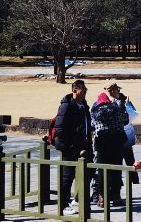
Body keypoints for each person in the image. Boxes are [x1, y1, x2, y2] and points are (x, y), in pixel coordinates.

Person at [54, 80, 93, 214]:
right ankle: (63, 205)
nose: (85, 92)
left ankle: (77, 199)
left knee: (87, 174)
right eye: (83, 90)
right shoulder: (67, 106)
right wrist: (70, 145)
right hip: (71, 148)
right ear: (75, 90)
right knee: (68, 176)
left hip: (84, 147)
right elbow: (59, 128)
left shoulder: (83, 105)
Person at [91, 87, 129, 207]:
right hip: (116, 142)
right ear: (113, 91)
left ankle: (103, 198)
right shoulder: (118, 105)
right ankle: (116, 196)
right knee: (116, 170)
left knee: (102, 171)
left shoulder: (96, 105)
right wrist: (120, 105)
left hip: (101, 142)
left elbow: (92, 123)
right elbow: (126, 119)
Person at [106, 82, 139, 185]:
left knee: (123, 160)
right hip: (122, 137)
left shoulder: (107, 103)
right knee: (127, 160)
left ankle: (125, 180)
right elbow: (133, 115)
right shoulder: (120, 106)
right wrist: (128, 104)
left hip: (120, 138)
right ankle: (132, 179)